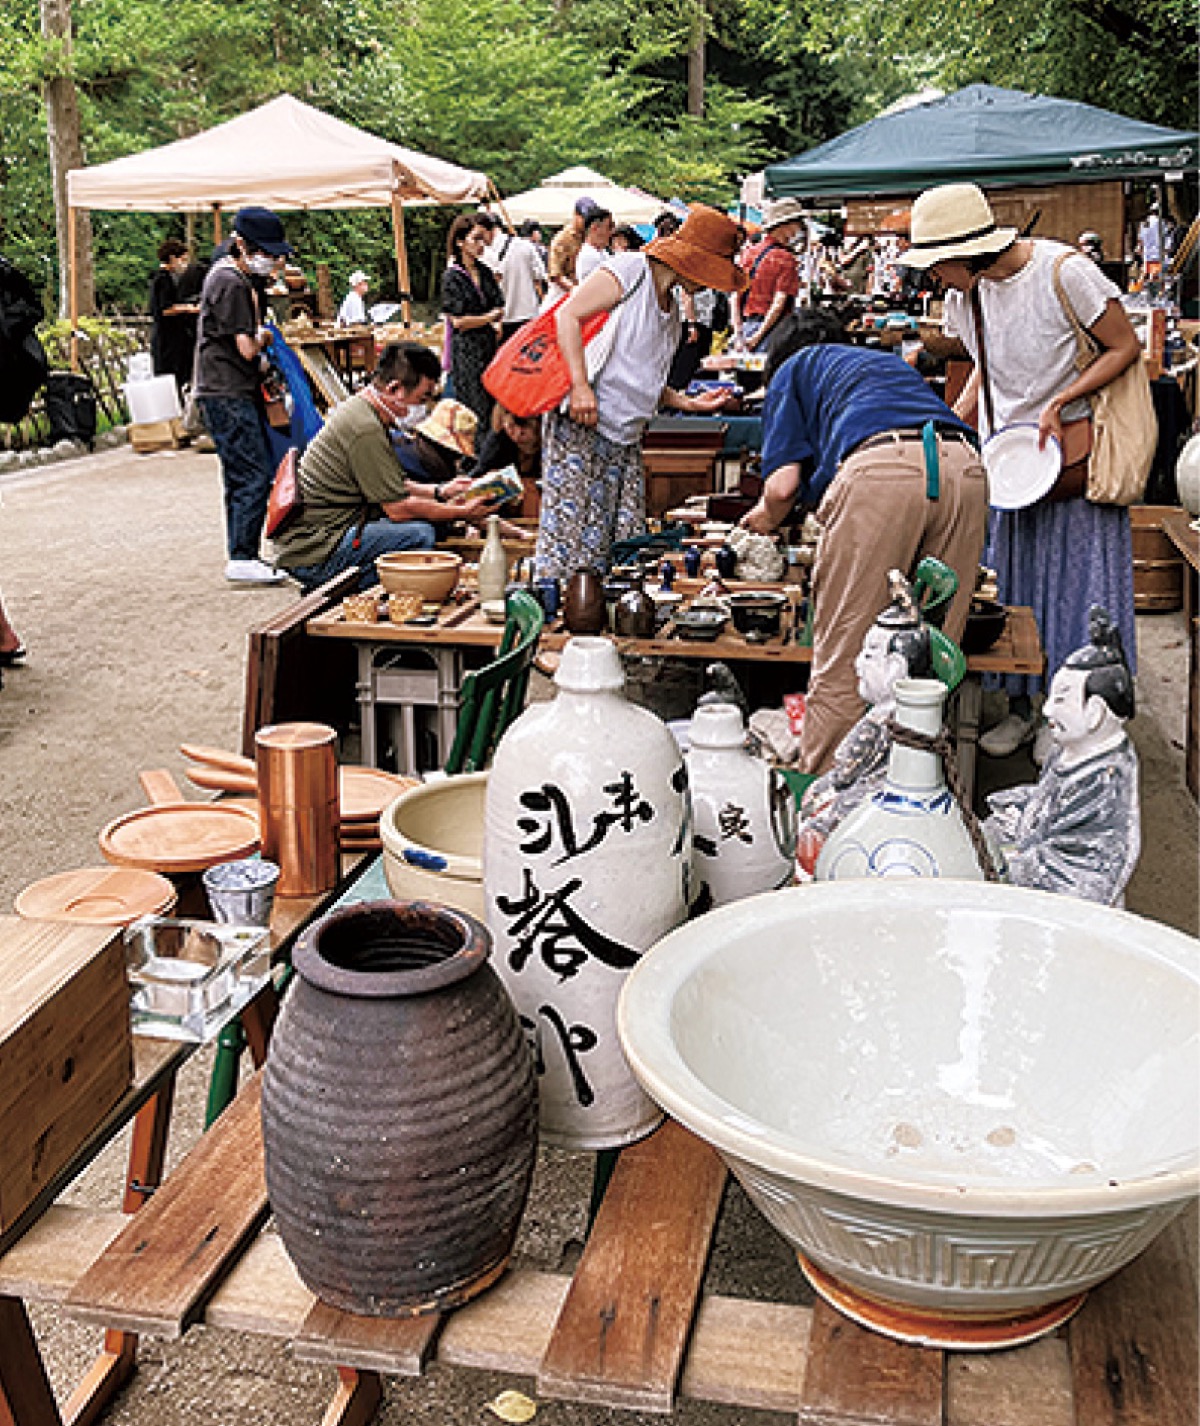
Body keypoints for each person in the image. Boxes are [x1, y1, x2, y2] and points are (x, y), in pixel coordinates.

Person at [902, 181, 1143, 763]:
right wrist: (949, 423)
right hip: (1009, 461)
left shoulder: (1064, 271)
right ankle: (1023, 707)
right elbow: (988, 371)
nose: (934, 280)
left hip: (1073, 456)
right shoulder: (968, 296)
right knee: (1014, 587)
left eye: (938, 266)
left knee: (1077, 585)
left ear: (968, 252)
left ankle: (1081, 716)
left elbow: (1123, 346)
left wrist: (1062, 402)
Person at [740, 307, 987, 774]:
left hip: (884, 472)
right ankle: (924, 788)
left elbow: (781, 487)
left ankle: (825, 804)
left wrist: (761, 521)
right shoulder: (881, 366)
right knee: (932, 663)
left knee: (847, 658)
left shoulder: (792, 370)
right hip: (964, 468)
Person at [534, 204, 746, 582]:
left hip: (625, 435)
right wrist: (580, 386)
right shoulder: (629, 270)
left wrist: (688, 403)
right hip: (586, 423)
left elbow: (641, 378)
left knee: (619, 545)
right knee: (573, 542)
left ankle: (600, 622)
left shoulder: (673, 310)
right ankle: (560, 621)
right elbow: (568, 315)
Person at [272, 344, 497, 592]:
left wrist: (441, 491)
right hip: (317, 548)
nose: (421, 408)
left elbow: (395, 485)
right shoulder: (365, 428)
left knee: (426, 525)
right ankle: (341, 593)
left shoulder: (365, 412)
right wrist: (461, 513)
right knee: (419, 535)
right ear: (395, 390)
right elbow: (398, 509)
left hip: (328, 533)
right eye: (421, 399)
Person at [984, 606, 1140, 905]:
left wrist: (1009, 861)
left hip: (1073, 901)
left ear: (1095, 713)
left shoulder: (1106, 776)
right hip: (1039, 852)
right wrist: (1018, 813)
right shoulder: (1071, 750)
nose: (1047, 710)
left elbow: (1079, 867)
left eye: (1061, 700)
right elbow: (1047, 801)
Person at [194, 205, 293, 585]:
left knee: (240, 473)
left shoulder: (227, 276)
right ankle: (242, 555)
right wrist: (266, 336)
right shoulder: (232, 283)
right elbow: (247, 349)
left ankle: (242, 550)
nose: (271, 260)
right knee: (252, 473)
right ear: (241, 245)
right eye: (265, 252)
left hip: (222, 387)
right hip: (227, 388)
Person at [440, 213, 505, 429]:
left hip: (488, 347)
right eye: (476, 239)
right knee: (472, 409)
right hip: (467, 352)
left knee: (490, 405)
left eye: (483, 240)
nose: (481, 245)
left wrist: (491, 320)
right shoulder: (452, 277)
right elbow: (459, 321)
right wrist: (488, 318)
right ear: (460, 241)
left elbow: (499, 303)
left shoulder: (485, 272)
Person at [732, 198, 804, 353]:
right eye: (797, 224)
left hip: (746, 326)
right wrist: (757, 337)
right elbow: (778, 304)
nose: (799, 229)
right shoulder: (786, 259)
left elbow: (735, 297)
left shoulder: (749, 253)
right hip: (773, 330)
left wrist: (738, 332)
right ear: (786, 226)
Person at [149, 238, 200, 395]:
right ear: (172, 258)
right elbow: (164, 309)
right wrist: (188, 309)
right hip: (167, 339)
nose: (184, 265)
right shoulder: (163, 280)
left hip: (173, 338)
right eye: (182, 260)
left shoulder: (167, 279)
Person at [491, 222, 547, 344]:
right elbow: (540, 275)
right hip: (528, 313)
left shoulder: (485, 250)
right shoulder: (526, 246)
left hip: (500, 318)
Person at [546, 197, 598, 298]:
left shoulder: (592, 236)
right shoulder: (562, 239)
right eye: (584, 218)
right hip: (562, 295)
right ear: (575, 215)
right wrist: (577, 292)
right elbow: (556, 276)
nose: (588, 222)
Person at [576, 207, 614, 281]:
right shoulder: (589, 256)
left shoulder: (602, 252)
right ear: (595, 227)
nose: (611, 232)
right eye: (609, 226)